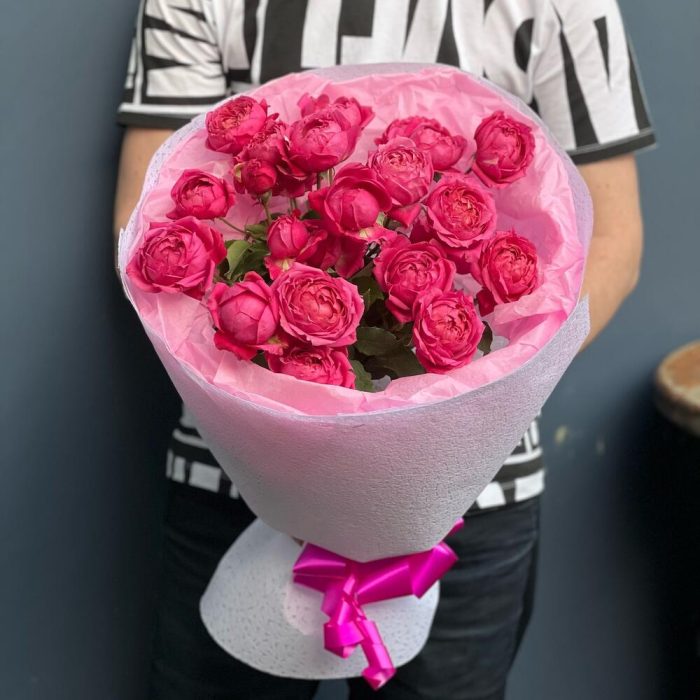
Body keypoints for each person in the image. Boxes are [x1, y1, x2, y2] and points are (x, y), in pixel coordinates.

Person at [113, 1, 654, 698]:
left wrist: (457, 417)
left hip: (467, 495)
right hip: (234, 482)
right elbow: (147, 223)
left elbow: (614, 243)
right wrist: (287, 418)